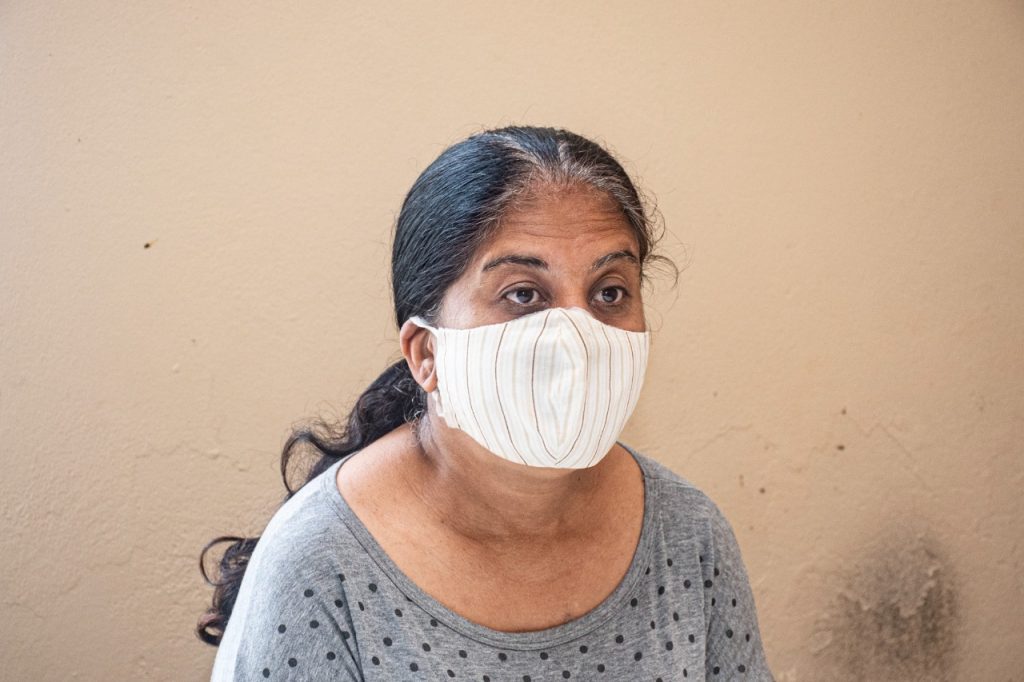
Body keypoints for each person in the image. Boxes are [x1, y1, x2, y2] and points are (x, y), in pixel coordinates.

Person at [199, 126, 774, 681]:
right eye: (523, 294)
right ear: (426, 352)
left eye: (610, 292)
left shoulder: (687, 533)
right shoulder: (319, 562)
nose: (577, 336)